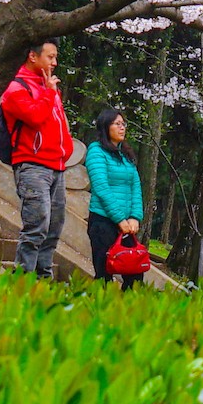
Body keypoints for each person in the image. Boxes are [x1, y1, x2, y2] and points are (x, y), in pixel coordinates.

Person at [0, 40, 72, 278]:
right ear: (32, 56)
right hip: (32, 165)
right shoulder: (16, 88)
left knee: (54, 227)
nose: (54, 62)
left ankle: (43, 278)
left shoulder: (48, 85)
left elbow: (60, 121)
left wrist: (66, 148)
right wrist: (49, 93)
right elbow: (35, 116)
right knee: (37, 225)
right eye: (50, 57)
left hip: (56, 165)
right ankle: (23, 279)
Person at [84, 108, 144, 289]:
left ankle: (130, 310)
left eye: (123, 124)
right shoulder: (96, 151)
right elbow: (101, 187)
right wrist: (119, 218)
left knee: (134, 271)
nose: (122, 128)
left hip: (127, 224)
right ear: (105, 126)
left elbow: (135, 187)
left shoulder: (125, 154)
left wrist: (135, 216)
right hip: (103, 221)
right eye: (117, 124)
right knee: (104, 271)